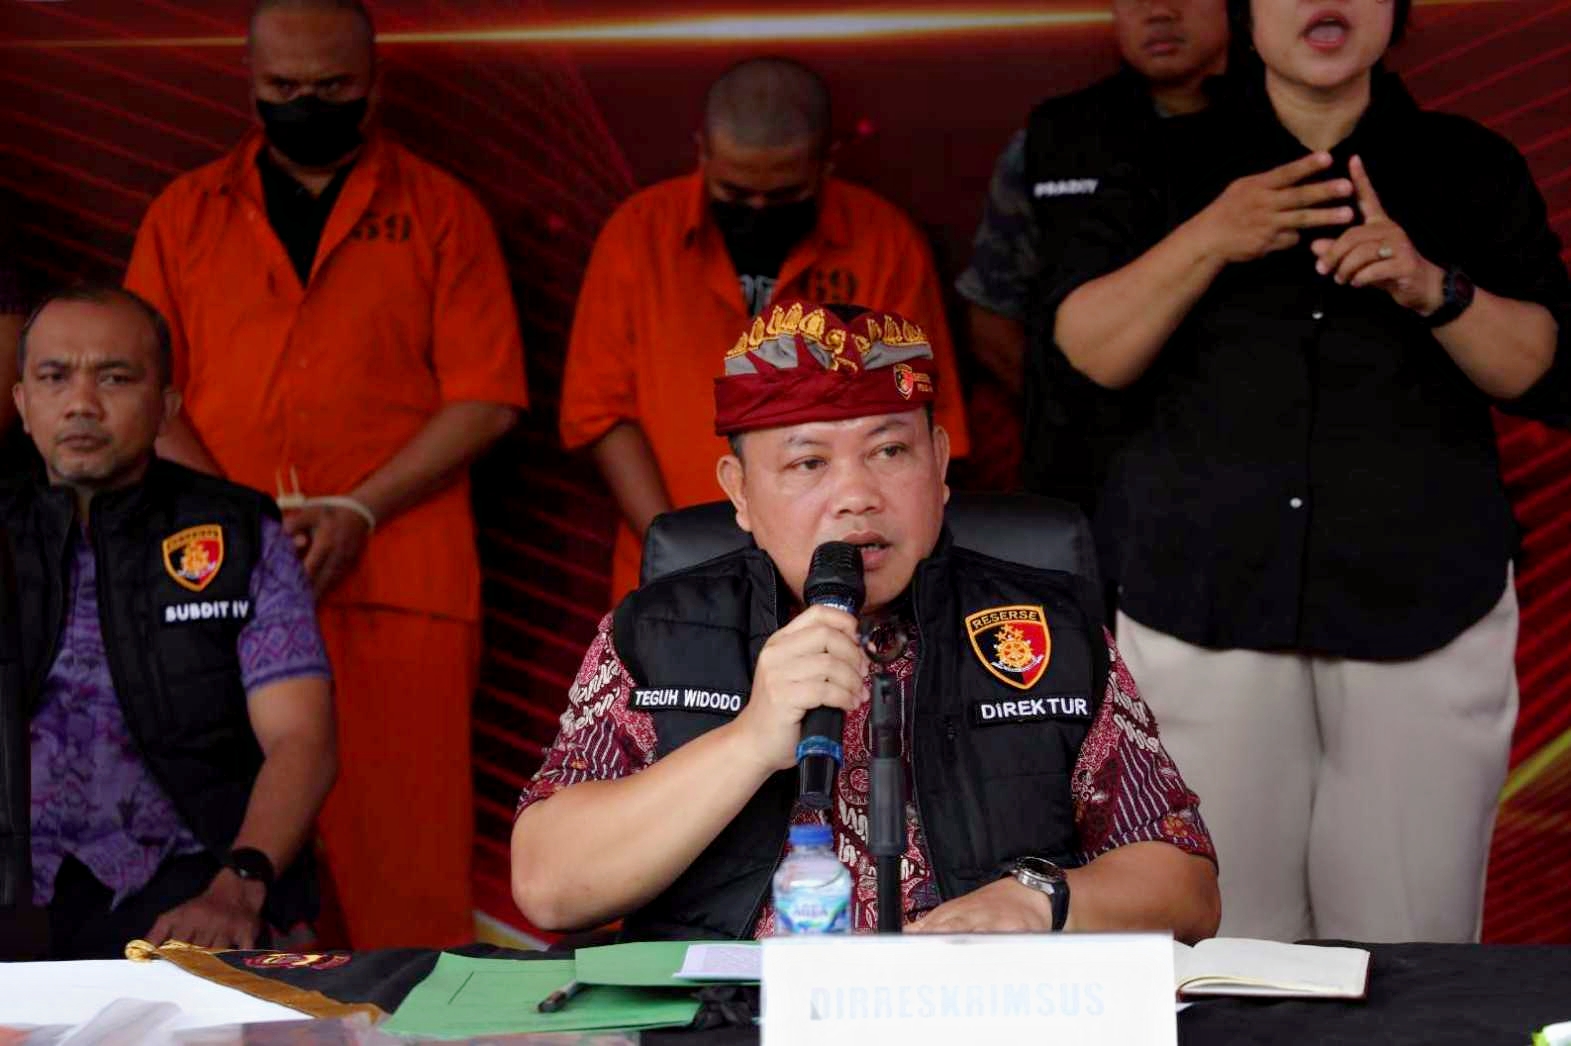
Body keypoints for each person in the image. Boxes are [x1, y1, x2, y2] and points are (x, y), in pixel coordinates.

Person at [1050, 0, 1571, 942]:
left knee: (1412, 932)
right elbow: (1090, 351)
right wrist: (1210, 236)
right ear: (1245, 14)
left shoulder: (1467, 162)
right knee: (1220, 935)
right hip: (1204, 591)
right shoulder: (1159, 158)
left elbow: (1535, 369)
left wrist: (1432, 287)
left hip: (1423, 594)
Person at [512, 300, 1218, 941]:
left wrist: (1041, 900)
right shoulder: (656, 633)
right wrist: (748, 741)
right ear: (741, 493)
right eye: (808, 463)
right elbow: (548, 886)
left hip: (972, 1009)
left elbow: (1184, 885)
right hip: (732, 1017)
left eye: (889, 452)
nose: (855, 496)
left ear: (939, 463)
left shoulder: (1051, 630)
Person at [124, 0, 529, 947]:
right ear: (249, 83)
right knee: (218, 865)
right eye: (284, 87)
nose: (307, 103)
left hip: (400, 579)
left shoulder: (441, 209)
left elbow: (488, 396)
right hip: (215, 581)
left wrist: (359, 508)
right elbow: (142, 389)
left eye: (332, 86)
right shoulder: (184, 213)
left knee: (405, 874)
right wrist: (248, 523)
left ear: (376, 82)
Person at [0, 285, 336, 959]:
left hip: (188, 888)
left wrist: (239, 883)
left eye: (115, 378)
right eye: (54, 377)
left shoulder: (237, 535)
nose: (82, 403)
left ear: (166, 408)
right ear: (22, 404)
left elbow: (302, 739)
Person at [560, 57, 970, 605]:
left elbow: (922, 415)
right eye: (733, 194)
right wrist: (682, 552)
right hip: (672, 577)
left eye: (781, 198)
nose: (757, 209)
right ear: (702, 151)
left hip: (851, 575)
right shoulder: (638, 234)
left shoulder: (884, 241)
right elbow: (600, 413)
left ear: (826, 162)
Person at [957, 0, 1228, 578]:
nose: (1159, 12)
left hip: (1238, 473)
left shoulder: (1282, 129)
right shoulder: (1057, 136)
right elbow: (991, 316)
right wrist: (1074, 406)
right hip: (1088, 483)